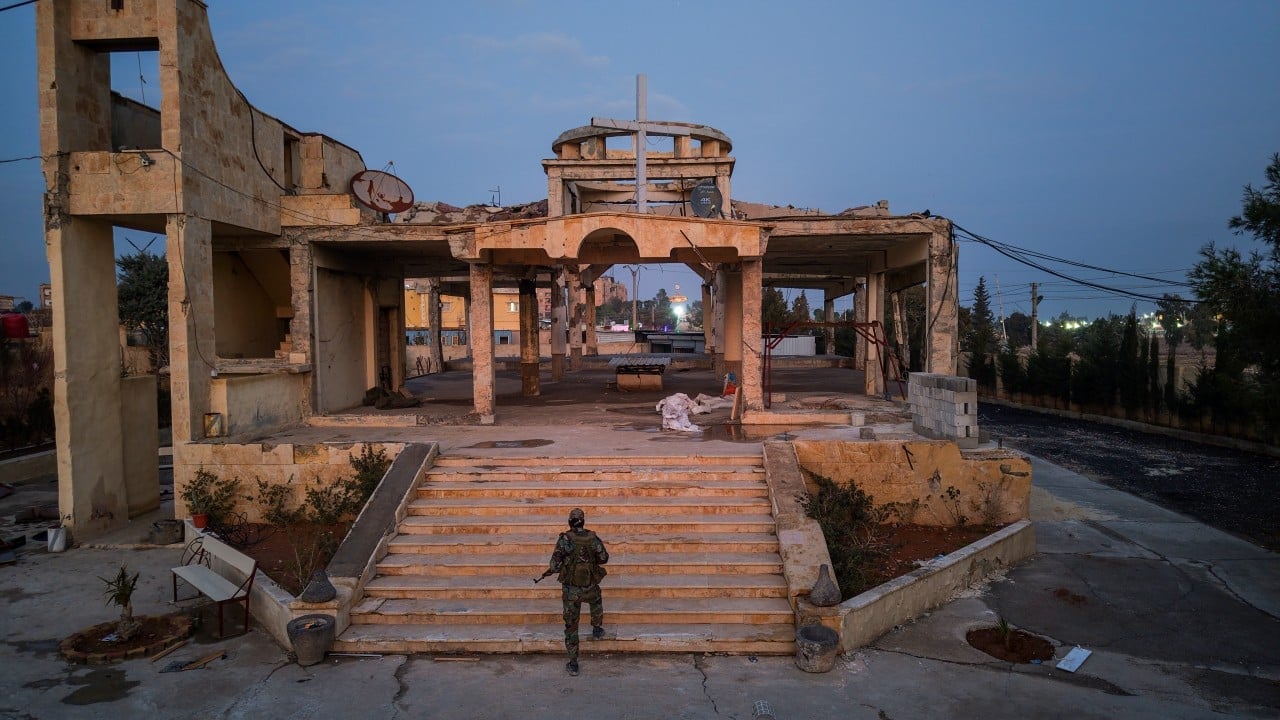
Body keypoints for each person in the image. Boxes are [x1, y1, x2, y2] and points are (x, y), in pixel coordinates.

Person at [544, 507, 609, 676]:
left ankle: (573, 663)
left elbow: (554, 566)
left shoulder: (565, 540)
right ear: (583, 522)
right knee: (596, 602)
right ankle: (597, 628)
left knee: (571, 626)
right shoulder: (592, 538)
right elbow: (604, 558)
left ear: (569, 522)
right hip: (589, 585)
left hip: (571, 589)